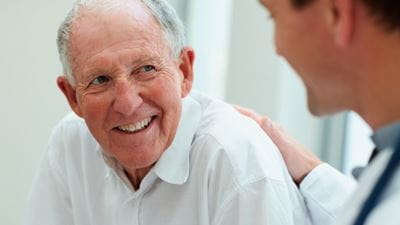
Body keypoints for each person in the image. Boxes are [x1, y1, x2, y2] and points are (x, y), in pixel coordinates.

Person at [24, 0, 312, 224]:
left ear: (184, 71)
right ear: (73, 97)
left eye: (146, 69)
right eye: (100, 80)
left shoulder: (237, 160)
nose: (127, 103)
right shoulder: (70, 142)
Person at [239, 0, 400, 225]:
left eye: (273, 16)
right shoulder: (387, 158)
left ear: (337, 14)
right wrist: (311, 173)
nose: (278, 49)